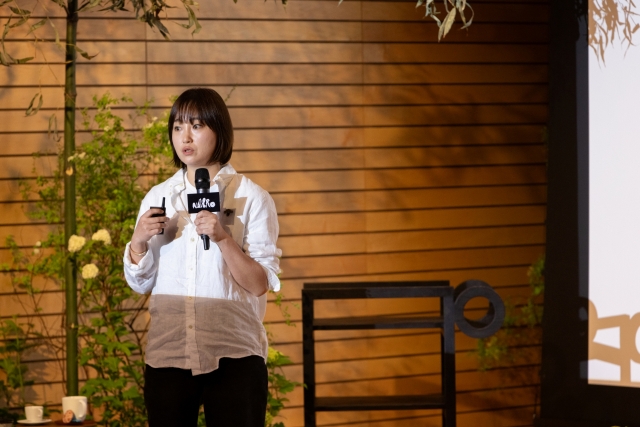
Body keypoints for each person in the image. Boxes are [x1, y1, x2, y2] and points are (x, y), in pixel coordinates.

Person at [123, 88, 281, 427]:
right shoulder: (159, 196)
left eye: (196, 126)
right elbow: (141, 283)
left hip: (234, 354)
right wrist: (137, 241)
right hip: (169, 353)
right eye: (178, 127)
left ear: (219, 131)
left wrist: (223, 238)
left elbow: (258, 285)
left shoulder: (251, 197)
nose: (185, 137)